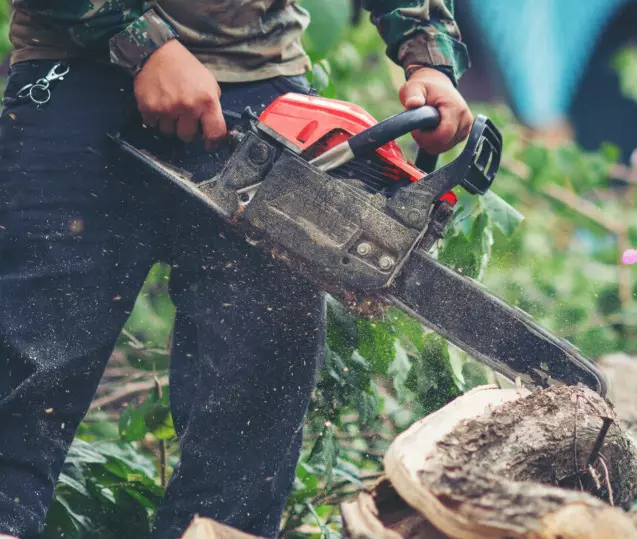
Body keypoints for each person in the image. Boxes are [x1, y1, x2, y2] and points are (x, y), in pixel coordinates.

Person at [0, 1, 473, 538]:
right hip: (77, 71)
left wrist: (428, 55)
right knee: (23, 381)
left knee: (250, 422)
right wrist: (143, 43)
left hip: (262, 91)